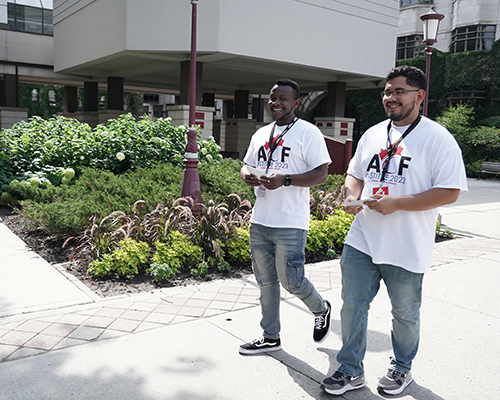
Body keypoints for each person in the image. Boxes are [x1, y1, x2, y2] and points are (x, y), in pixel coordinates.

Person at [322, 66, 468, 396]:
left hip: (406, 245)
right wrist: (351, 195)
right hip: (363, 237)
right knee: (352, 305)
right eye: (388, 91)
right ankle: (350, 370)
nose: (391, 97)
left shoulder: (438, 139)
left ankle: (402, 368)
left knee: (404, 314)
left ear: (419, 96)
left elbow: (450, 191)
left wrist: (398, 204)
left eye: (399, 91)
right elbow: (355, 173)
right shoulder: (372, 134)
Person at [238, 79, 332, 355]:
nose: (276, 103)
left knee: (292, 281)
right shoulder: (261, 133)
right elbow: (247, 166)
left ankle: (321, 308)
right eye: (272, 98)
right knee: (265, 281)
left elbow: (321, 174)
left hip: (290, 222)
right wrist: (249, 177)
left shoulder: (308, 133)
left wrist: (286, 179)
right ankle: (270, 336)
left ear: (296, 102)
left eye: (283, 98)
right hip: (261, 220)